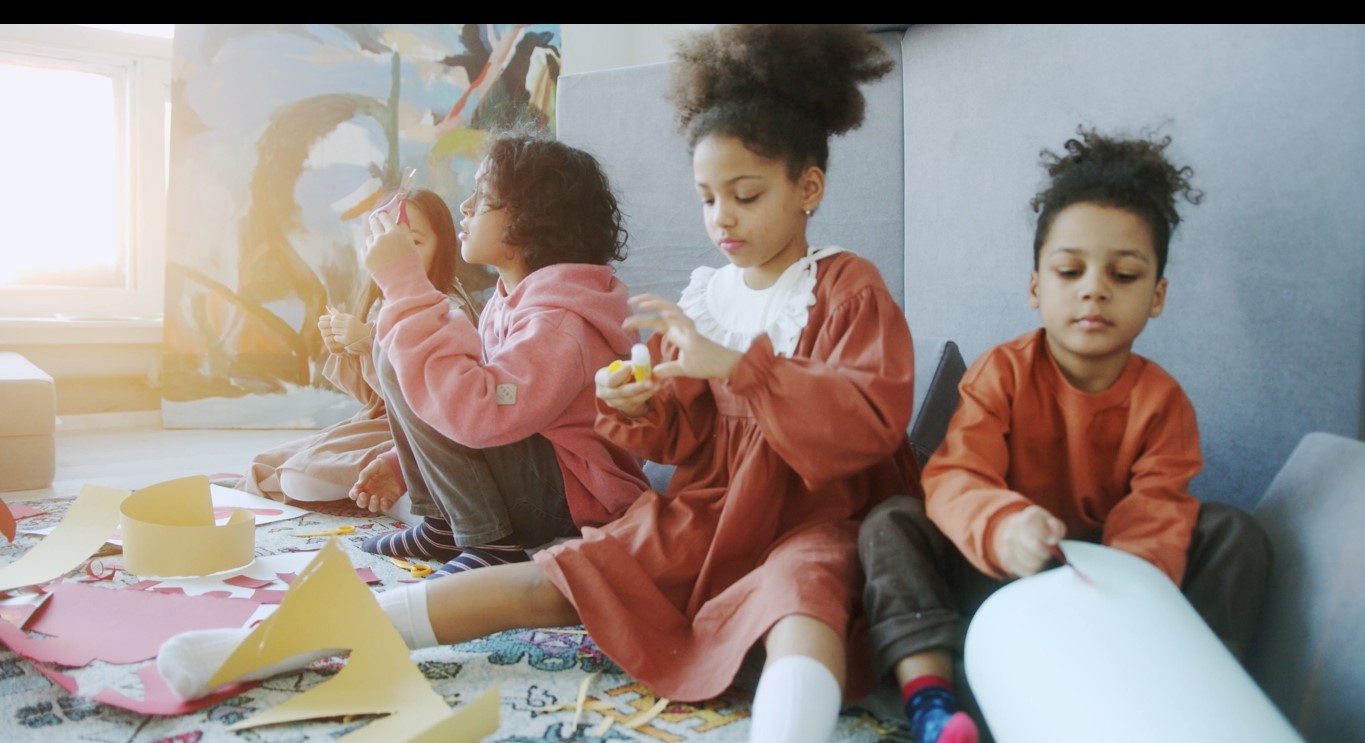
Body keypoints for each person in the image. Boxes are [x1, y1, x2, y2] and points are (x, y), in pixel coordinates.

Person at [158, 26, 916, 743]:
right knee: (551, 579)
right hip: (708, 514)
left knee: (802, 596)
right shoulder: (705, 296)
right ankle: (271, 643)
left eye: (745, 195)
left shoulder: (845, 286)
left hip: (815, 514)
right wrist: (637, 408)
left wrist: (738, 367)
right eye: (707, 196)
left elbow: (869, 426)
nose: (723, 218)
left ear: (808, 186)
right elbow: (688, 442)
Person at [857, 128, 1272, 743]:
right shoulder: (1002, 373)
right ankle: (933, 700)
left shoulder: (1163, 403)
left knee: (1234, 533)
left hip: (1113, 597)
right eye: (1070, 270)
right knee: (892, 522)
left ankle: (1188, 692)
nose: (1094, 288)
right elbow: (955, 475)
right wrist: (1003, 527)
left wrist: (1116, 591)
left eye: (1123, 275)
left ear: (1157, 295)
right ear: (1036, 287)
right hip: (1002, 571)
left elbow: (1158, 511)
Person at [346, 129, 649, 576]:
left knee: (414, 343)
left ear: (532, 222)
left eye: (483, 198)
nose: (465, 207)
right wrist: (406, 464)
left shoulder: (558, 321)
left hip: (568, 502)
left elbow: (480, 411)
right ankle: (443, 525)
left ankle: (489, 542)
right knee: (397, 343)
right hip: (537, 481)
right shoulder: (511, 299)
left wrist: (406, 286)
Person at [234, 189, 478, 505]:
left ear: (442, 247)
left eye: (414, 243)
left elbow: (427, 399)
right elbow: (372, 398)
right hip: (379, 423)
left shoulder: (450, 309)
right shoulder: (380, 303)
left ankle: (399, 492)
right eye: (387, 241)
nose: (398, 254)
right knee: (268, 463)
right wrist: (347, 348)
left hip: (418, 432)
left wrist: (366, 342)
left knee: (300, 477)